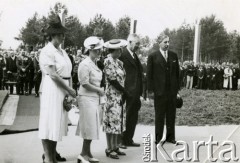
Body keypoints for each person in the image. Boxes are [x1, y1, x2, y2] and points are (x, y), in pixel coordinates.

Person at [38, 15, 76, 163]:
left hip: (62, 89)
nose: (63, 37)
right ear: (53, 35)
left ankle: (53, 156)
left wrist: (69, 90)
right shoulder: (47, 51)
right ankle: (48, 158)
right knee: (49, 123)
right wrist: (68, 89)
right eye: (61, 34)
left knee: (56, 124)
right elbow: (53, 75)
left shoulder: (62, 51)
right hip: (52, 89)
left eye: (63, 34)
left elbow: (68, 72)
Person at [147, 34, 180, 145]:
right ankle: (158, 137)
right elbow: (149, 75)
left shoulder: (173, 56)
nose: (167, 44)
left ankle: (170, 137)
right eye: (165, 42)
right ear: (159, 43)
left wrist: (177, 90)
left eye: (168, 42)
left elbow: (177, 74)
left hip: (172, 92)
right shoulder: (153, 56)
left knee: (171, 115)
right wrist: (151, 91)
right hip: (159, 92)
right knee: (159, 115)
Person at [76, 36, 105, 163]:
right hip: (87, 99)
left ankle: (87, 153)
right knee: (89, 127)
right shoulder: (84, 64)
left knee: (93, 127)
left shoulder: (94, 63)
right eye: (96, 50)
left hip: (94, 99)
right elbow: (84, 83)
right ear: (90, 50)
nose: (99, 52)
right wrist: (99, 90)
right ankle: (82, 154)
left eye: (100, 49)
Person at [102, 39, 128, 159]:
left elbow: (122, 78)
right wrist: (124, 91)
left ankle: (115, 146)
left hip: (119, 95)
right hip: (112, 95)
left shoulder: (119, 62)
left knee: (118, 121)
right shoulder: (107, 61)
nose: (121, 51)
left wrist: (123, 92)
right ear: (113, 50)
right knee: (111, 121)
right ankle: (109, 148)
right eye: (119, 49)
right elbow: (112, 80)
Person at [119, 34, 143, 147]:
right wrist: (124, 90)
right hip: (127, 91)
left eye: (139, 44)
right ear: (129, 42)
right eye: (136, 44)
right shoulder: (122, 54)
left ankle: (129, 139)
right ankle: (122, 140)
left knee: (133, 116)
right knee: (125, 116)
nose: (138, 46)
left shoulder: (135, 56)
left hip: (136, 92)